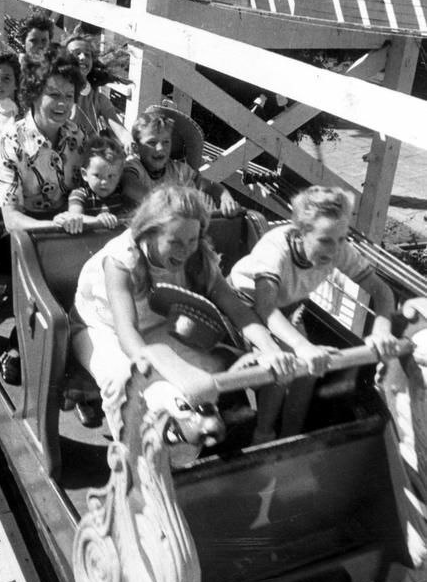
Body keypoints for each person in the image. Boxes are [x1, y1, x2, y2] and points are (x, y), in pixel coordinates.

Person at [70, 185, 293, 436]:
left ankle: (189, 430)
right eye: (174, 241)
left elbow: (236, 308)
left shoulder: (198, 256)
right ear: (148, 234)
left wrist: (270, 347)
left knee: (207, 366)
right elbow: (126, 331)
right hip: (101, 327)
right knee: (123, 378)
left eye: (192, 240)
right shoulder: (120, 260)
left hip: (156, 324)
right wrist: (161, 370)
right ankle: (136, 456)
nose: (185, 250)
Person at [229, 185, 399, 437]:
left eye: (341, 239)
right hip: (245, 305)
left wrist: (382, 331)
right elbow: (266, 308)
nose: (333, 250)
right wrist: (302, 346)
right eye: (324, 241)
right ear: (300, 232)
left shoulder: (337, 248)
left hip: (286, 307)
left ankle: (293, 436)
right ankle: (263, 434)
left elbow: (382, 292)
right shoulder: (275, 249)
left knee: (309, 371)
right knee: (284, 366)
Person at [0, 49, 87, 383]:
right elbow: (10, 218)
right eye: (53, 94)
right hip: (27, 231)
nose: (62, 103)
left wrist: (75, 212)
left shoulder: (76, 136)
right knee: (48, 267)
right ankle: (20, 341)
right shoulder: (12, 141)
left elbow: (82, 188)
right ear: (33, 94)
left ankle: (80, 356)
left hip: (68, 225)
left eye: (69, 96)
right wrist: (53, 229)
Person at [122, 110, 240, 215]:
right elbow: (130, 186)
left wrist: (225, 197)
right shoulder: (134, 166)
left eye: (166, 142)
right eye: (152, 142)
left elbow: (208, 186)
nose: (160, 148)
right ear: (137, 146)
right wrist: (166, 203)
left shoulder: (177, 169)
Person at [64, 32, 134, 155]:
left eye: (87, 54)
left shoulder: (99, 99)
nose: (82, 57)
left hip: (89, 160)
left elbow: (120, 130)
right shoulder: (57, 94)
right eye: (76, 53)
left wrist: (129, 141)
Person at [54, 134, 127, 233]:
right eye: (97, 175)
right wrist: (97, 221)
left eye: (111, 176)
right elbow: (74, 217)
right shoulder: (80, 194)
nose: (104, 182)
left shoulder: (121, 193)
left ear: (119, 176)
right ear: (84, 174)